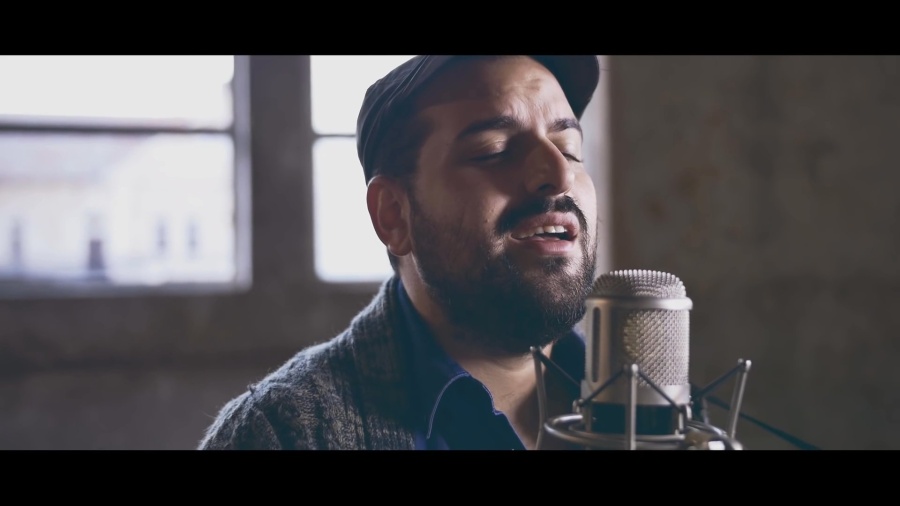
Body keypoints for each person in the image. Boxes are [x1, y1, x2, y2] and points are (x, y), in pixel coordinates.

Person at [198, 55, 602, 450]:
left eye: (569, 149)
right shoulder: (280, 435)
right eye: (493, 150)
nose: (560, 173)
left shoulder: (634, 394)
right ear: (393, 215)